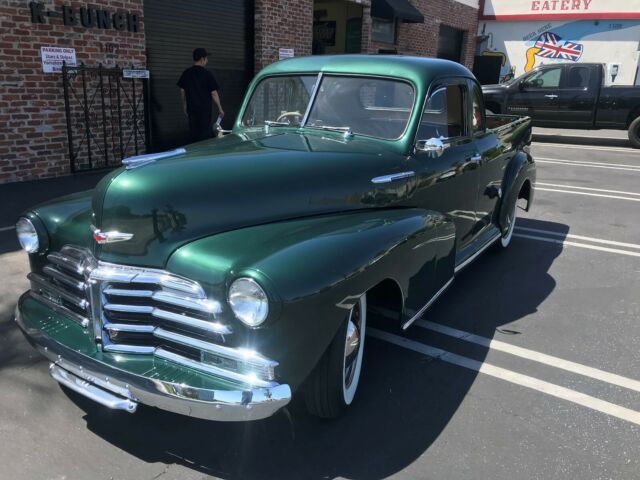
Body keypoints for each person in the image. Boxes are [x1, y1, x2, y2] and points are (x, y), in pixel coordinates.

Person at [177, 48, 225, 143]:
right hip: (204, 112)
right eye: (206, 58)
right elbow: (213, 93)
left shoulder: (186, 73)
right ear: (202, 59)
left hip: (192, 110)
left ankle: (194, 154)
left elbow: (182, 90)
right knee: (204, 136)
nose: (207, 61)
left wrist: (184, 105)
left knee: (193, 134)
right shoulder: (207, 74)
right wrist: (220, 108)